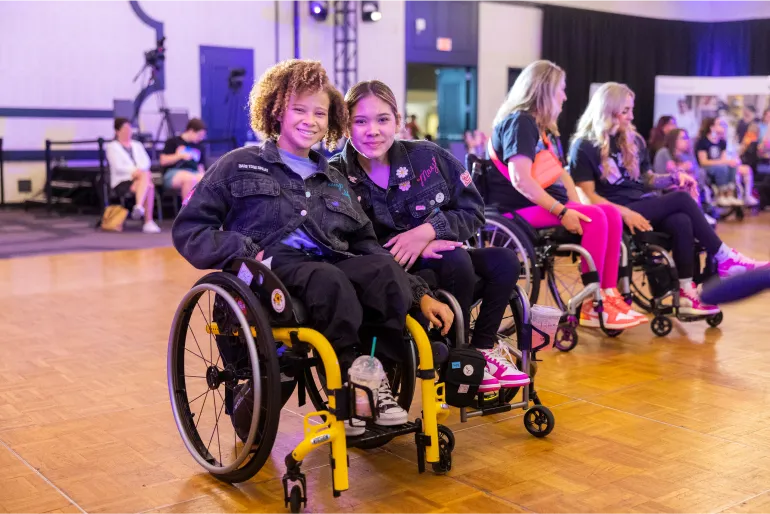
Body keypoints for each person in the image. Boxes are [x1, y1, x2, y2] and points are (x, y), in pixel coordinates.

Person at [172, 59, 454, 435]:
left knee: (382, 272)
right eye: (299, 110)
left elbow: (367, 245)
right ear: (276, 111)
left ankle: (376, 378)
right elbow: (191, 228)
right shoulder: (239, 165)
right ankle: (352, 387)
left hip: (331, 264)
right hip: (272, 268)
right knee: (328, 279)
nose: (310, 120)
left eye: (320, 112)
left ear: (332, 118)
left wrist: (419, 294)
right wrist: (243, 248)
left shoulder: (334, 178)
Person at [330, 80, 528, 394]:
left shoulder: (427, 157)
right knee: (457, 259)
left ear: (397, 120)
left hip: (440, 257)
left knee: (504, 260)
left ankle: (481, 350)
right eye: (360, 121)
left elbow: (473, 210)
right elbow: (347, 245)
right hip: (394, 275)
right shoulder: (335, 176)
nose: (373, 130)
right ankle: (456, 360)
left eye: (383, 119)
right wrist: (413, 244)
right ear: (345, 126)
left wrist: (427, 232)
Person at [569, 82, 769, 317]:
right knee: (682, 200)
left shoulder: (633, 141)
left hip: (641, 203)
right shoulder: (583, 146)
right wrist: (625, 213)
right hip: (614, 212)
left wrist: (674, 178)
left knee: (681, 220)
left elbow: (646, 179)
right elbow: (588, 197)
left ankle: (685, 290)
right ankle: (725, 258)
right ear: (607, 110)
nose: (631, 116)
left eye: (631, 110)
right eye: (626, 111)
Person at [487, 60, 647, 331]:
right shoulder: (520, 122)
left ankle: (607, 294)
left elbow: (561, 173)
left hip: (538, 205)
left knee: (609, 212)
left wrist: (573, 205)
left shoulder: (540, 128)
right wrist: (562, 211)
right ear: (545, 91)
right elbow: (520, 179)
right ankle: (592, 304)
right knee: (596, 216)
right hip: (513, 212)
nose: (565, 96)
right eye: (561, 89)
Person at [104, 118, 161, 233]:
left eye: (129, 129)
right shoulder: (112, 147)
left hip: (139, 178)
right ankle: (147, 221)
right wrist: (134, 172)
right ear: (117, 131)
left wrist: (139, 171)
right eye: (125, 129)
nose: (128, 131)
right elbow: (117, 166)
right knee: (148, 185)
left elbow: (146, 162)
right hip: (122, 180)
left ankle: (139, 207)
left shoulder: (137, 145)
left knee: (147, 181)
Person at [653, 128, 716, 225]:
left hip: (688, 187)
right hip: (667, 189)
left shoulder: (688, 155)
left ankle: (699, 216)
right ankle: (699, 216)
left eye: (687, 138)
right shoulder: (663, 153)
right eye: (683, 138)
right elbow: (659, 176)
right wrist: (682, 168)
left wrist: (682, 169)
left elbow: (697, 173)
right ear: (674, 140)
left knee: (696, 182)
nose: (687, 141)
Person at [695, 116, 758, 207]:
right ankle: (721, 195)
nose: (723, 126)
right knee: (723, 168)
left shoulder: (722, 142)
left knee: (732, 166)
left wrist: (730, 162)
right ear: (711, 127)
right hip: (708, 167)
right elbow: (703, 162)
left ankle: (730, 195)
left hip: (720, 166)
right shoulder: (703, 142)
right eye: (720, 124)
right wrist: (724, 162)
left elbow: (724, 159)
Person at [160, 118, 208, 199]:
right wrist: (179, 156)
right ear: (191, 131)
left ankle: (203, 210)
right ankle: (188, 210)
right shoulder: (173, 141)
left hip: (194, 172)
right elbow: (163, 161)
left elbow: (201, 167)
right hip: (173, 173)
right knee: (190, 179)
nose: (200, 138)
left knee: (206, 181)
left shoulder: (200, 146)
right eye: (199, 135)